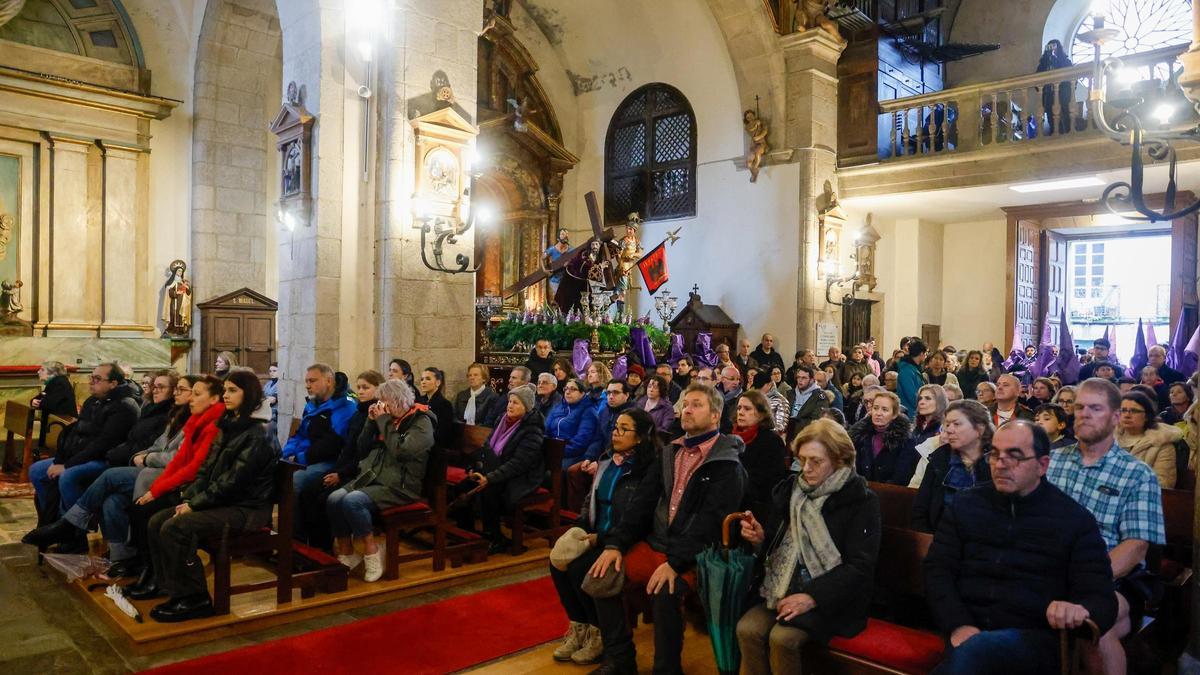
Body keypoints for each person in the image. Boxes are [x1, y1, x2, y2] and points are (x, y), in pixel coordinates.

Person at [924, 419, 1117, 675]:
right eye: (994, 454)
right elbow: (937, 570)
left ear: (1042, 465)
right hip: (966, 630)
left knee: (978, 651)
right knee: (975, 651)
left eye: (1014, 456)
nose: (1001, 463)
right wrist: (958, 624)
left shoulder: (1073, 520)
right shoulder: (965, 505)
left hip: (1035, 640)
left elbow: (1102, 599)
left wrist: (1079, 609)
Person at [587, 383, 746, 675]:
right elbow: (642, 504)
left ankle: (667, 668)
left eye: (696, 404)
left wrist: (674, 563)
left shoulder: (726, 463)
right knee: (602, 575)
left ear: (715, 415)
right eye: (685, 403)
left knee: (665, 591)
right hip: (657, 543)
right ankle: (620, 658)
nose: (687, 409)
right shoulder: (670, 453)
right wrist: (615, 544)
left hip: (696, 554)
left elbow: (710, 524)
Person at [736, 418, 880, 675]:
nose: (806, 468)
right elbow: (774, 542)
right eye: (802, 460)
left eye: (816, 461)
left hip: (834, 597)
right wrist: (759, 540)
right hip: (781, 588)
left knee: (782, 638)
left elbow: (860, 566)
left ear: (839, 459)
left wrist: (812, 596)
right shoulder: (792, 489)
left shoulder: (860, 499)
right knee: (747, 629)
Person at [1046, 378, 1165, 674]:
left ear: (1114, 418)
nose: (1083, 414)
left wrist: (1082, 579)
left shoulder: (1137, 474)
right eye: (1079, 407)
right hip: (1047, 568)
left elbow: (1136, 546)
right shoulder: (1052, 461)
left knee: (1092, 624)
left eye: (1095, 408)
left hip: (1112, 578)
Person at [142, 370, 277, 622]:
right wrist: (189, 497)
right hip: (225, 502)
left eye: (233, 390)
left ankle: (195, 599)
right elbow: (206, 471)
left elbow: (233, 482)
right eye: (225, 390)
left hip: (247, 509)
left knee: (176, 527)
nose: (226, 395)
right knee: (157, 520)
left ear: (249, 394)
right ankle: (171, 587)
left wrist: (195, 505)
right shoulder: (229, 424)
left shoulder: (259, 432)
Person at [549, 408, 658, 666]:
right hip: (595, 532)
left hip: (623, 538)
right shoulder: (608, 459)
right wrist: (581, 528)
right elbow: (591, 499)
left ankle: (599, 633)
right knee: (557, 564)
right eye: (615, 427)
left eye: (624, 429)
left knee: (580, 569)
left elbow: (638, 515)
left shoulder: (647, 469)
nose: (616, 433)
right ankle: (580, 628)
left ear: (641, 437)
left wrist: (603, 539)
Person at [329, 379, 434, 582]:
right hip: (374, 477)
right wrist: (370, 422)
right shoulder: (387, 419)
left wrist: (384, 421)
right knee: (334, 499)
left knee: (353, 501)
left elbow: (400, 451)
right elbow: (361, 449)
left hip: (400, 487)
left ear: (396, 401)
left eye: (382, 402)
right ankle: (347, 551)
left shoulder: (422, 422)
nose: (379, 407)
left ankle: (371, 549)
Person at [26, 362, 140, 532]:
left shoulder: (124, 406)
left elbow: (103, 444)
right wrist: (60, 459)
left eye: (97, 379)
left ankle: (77, 530)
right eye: (91, 377)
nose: (91, 382)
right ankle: (54, 519)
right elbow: (74, 434)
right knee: (37, 470)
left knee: (69, 476)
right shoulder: (92, 401)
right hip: (84, 455)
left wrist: (67, 465)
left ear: (113, 383)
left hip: (106, 459)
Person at [298, 370, 384, 550]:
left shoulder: (380, 415)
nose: (360, 391)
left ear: (379, 389)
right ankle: (311, 549)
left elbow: (368, 455)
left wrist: (341, 474)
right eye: (359, 387)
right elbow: (348, 448)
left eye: (366, 388)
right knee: (309, 491)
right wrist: (336, 470)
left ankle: (324, 551)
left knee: (323, 499)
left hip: (362, 473)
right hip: (346, 468)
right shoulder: (359, 413)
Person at [465, 384, 545, 553]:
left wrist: (491, 477)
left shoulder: (532, 430)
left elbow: (519, 463)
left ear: (527, 407)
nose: (510, 405)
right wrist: (473, 467)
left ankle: (495, 537)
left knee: (489, 488)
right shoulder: (502, 421)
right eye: (510, 401)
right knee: (466, 484)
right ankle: (468, 534)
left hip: (522, 477)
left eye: (516, 402)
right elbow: (486, 448)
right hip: (499, 469)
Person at [283, 363, 357, 542]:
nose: (308, 385)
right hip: (308, 456)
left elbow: (332, 444)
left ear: (329, 381)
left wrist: (300, 458)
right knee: (273, 471)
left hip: (332, 461)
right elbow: (301, 433)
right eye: (306, 381)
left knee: (296, 481)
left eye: (313, 381)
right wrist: (288, 451)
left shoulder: (345, 406)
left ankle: (296, 542)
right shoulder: (313, 404)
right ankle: (276, 535)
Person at [912, 400, 992, 533]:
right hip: (940, 536)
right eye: (947, 424)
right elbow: (920, 508)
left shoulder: (997, 462)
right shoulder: (940, 458)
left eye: (957, 424)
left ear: (979, 428)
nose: (949, 430)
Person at [733, 390, 790, 525]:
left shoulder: (771, 441)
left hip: (757, 509)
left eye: (747, 409)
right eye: (739, 408)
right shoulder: (729, 437)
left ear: (761, 413)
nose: (740, 412)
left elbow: (773, 481)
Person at [849, 390, 917, 485]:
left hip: (890, 494)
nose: (878, 413)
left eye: (884, 410)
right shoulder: (861, 435)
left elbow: (901, 477)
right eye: (875, 408)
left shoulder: (906, 440)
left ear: (894, 414)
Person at [1115, 390, 1178, 489]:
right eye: (1123, 410)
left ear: (1147, 416)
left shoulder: (1162, 445)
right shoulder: (1108, 439)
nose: (1127, 415)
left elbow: (1163, 484)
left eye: (1134, 411)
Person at [546, 378, 600, 469]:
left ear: (583, 393)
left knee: (554, 468)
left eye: (573, 389)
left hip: (573, 454)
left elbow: (581, 441)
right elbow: (545, 428)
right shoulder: (559, 407)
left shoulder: (588, 410)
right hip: (552, 450)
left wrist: (557, 452)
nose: (567, 392)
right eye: (566, 389)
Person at [30, 361, 78, 448]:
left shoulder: (60, 383)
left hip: (60, 425)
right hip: (53, 423)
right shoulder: (54, 382)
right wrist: (34, 401)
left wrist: (39, 403)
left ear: (52, 373)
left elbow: (49, 403)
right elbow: (39, 398)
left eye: (42, 370)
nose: (38, 372)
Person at [1036, 39, 1074, 136]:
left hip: (1064, 96)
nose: (1052, 49)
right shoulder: (1043, 64)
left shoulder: (1065, 61)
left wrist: (1055, 59)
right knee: (1052, 121)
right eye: (1050, 47)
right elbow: (1037, 81)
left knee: (1066, 120)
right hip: (1049, 98)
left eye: (1054, 46)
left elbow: (1071, 77)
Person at [415, 367, 456, 450]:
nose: (423, 382)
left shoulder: (445, 405)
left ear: (437, 382)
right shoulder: (418, 400)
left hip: (434, 447)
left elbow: (443, 432)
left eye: (428, 379)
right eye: (422, 379)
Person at [787, 365, 827, 440]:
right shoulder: (790, 394)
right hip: (789, 436)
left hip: (808, 436)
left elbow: (816, 420)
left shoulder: (820, 396)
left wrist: (793, 425)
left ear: (812, 379)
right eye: (798, 377)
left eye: (804, 378)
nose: (800, 380)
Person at [896, 339, 927, 415]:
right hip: (910, 413)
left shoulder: (914, 369)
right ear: (921, 353)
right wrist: (924, 406)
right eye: (926, 353)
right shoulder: (906, 371)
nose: (926, 356)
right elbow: (912, 395)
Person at [717, 366, 743, 434]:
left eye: (738, 379)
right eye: (732, 379)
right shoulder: (713, 394)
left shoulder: (742, 398)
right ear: (722, 379)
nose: (736, 382)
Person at [263, 362, 281, 451]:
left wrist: (265, 399)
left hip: (274, 414)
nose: (272, 373)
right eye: (270, 371)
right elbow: (261, 397)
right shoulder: (268, 383)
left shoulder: (281, 384)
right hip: (265, 412)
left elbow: (272, 400)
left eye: (274, 370)